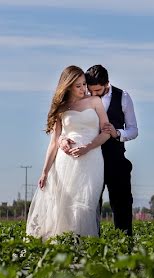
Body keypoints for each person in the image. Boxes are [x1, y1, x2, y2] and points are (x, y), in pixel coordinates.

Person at [26, 65, 114, 240]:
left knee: (86, 202)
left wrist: (88, 147)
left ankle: (83, 244)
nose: (83, 89)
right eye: (78, 86)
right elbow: (54, 142)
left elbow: (106, 132)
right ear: (68, 86)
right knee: (63, 203)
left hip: (91, 159)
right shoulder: (61, 108)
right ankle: (63, 243)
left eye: (84, 84)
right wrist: (44, 171)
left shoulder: (95, 102)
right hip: (65, 162)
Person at [59, 64, 138, 236]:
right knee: (88, 204)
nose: (93, 94)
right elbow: (66, 127)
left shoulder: (123, 97)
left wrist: (117, 133)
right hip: (89, 160)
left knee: (122, 204)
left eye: (98, 90)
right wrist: (63, 139)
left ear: (107, 84)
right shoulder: (80, 98)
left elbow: (133, 130)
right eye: (90, 89)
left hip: (115, 159)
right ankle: (91, 244)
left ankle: (124, 245)